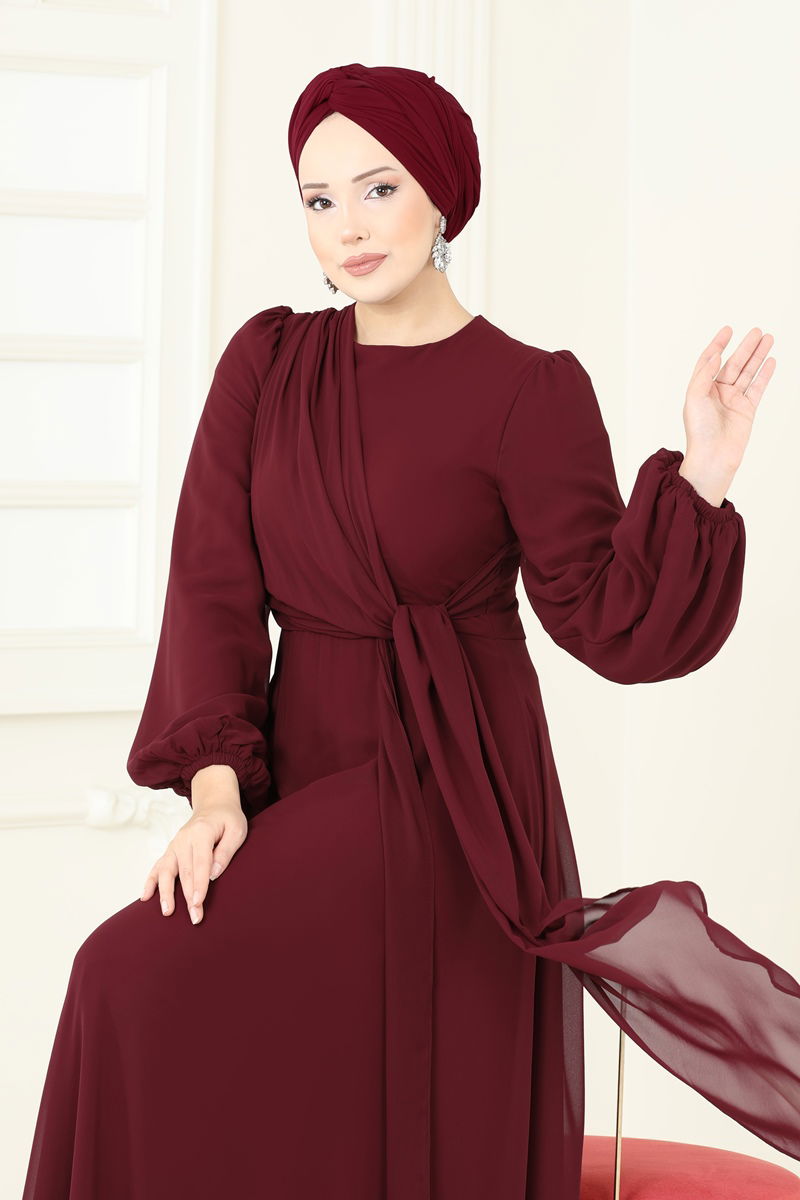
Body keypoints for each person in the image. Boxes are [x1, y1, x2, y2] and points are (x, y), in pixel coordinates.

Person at [21, 62, 798, 1200]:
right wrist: (216, 792)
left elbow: (609, 619)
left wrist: (703, 476)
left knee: (123, 975)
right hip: (295, 771)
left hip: (449, 795)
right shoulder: (268, 365)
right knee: (196, 1022)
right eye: (318, 199)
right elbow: (211, 587)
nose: (346, 226)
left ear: (441, 195)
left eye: (377, 188)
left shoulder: (530, 389)